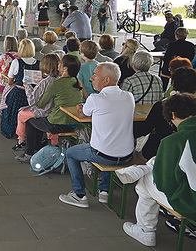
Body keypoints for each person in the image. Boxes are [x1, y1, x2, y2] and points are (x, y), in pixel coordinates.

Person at [121, 93, 196, 247]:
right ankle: (144, 168)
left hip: (191, 203)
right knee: (156, 166)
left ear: (173, 114)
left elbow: (164, 185)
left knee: (144, 183)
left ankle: (145, 230)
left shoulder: (173, 141)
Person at [59, 62, 135, 208]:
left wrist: (81, 108)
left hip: (104, 154)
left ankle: (79, 195)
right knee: (110, 142)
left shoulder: (95, 99)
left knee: (71, 153)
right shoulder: (129, 97)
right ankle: (104, 190)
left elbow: (84, 113)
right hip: (127, 155)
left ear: (106, 80)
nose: (91, 78)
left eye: (95, 75)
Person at [16, 55, 83, 162]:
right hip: (74, 123)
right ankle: (37, 149)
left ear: (65, 68)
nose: (58, 65)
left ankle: (29, 153)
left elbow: (39, 104)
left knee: (30, 122)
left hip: (57, 123)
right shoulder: (78, 81)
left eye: (60, 63)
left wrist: (29, 86)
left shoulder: (55, 84)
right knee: (36, 121)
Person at [134, 67, 196, 160]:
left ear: (173, 83)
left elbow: (145, 129)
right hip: (190, 152)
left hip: (157, 151)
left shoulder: (162, 105)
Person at [13, 53, 60, 151]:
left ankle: (21, 140)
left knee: (21, 114)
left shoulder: (44, 83)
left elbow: (32, 101)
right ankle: (54, 142)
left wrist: (27, 86)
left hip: (42, 112)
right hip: (54, 112)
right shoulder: (59, 80)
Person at [0, 39, 40, 138]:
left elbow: (10, 81)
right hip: (35, 94)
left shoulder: (16, 62)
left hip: (19, 93)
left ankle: (10, 129)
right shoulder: (39, 63)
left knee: (9, 106)